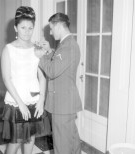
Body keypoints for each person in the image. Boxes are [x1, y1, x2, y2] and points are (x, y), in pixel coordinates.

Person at [1, 6, 50, 154]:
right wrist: (20, 104)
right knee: (16, 142)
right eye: (23, 27)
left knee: (30, 139)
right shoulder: (8, 49)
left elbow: (42, 76)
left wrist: (41, 100)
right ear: (16, 28)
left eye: (30, 28)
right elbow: (6, 78)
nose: (27, 32)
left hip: (34, 101)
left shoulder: (37, 49)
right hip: (16, 102)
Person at [35, 13, 83, 154]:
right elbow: (59, 63)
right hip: (65, 104)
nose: (50, 32)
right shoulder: (65, 45)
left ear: (58, 26)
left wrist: (40, 57)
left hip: (62, 105)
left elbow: (52, 71)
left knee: (61, 146)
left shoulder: (68, 46)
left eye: (51, 28)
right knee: (72, 141)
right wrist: (49, 51)